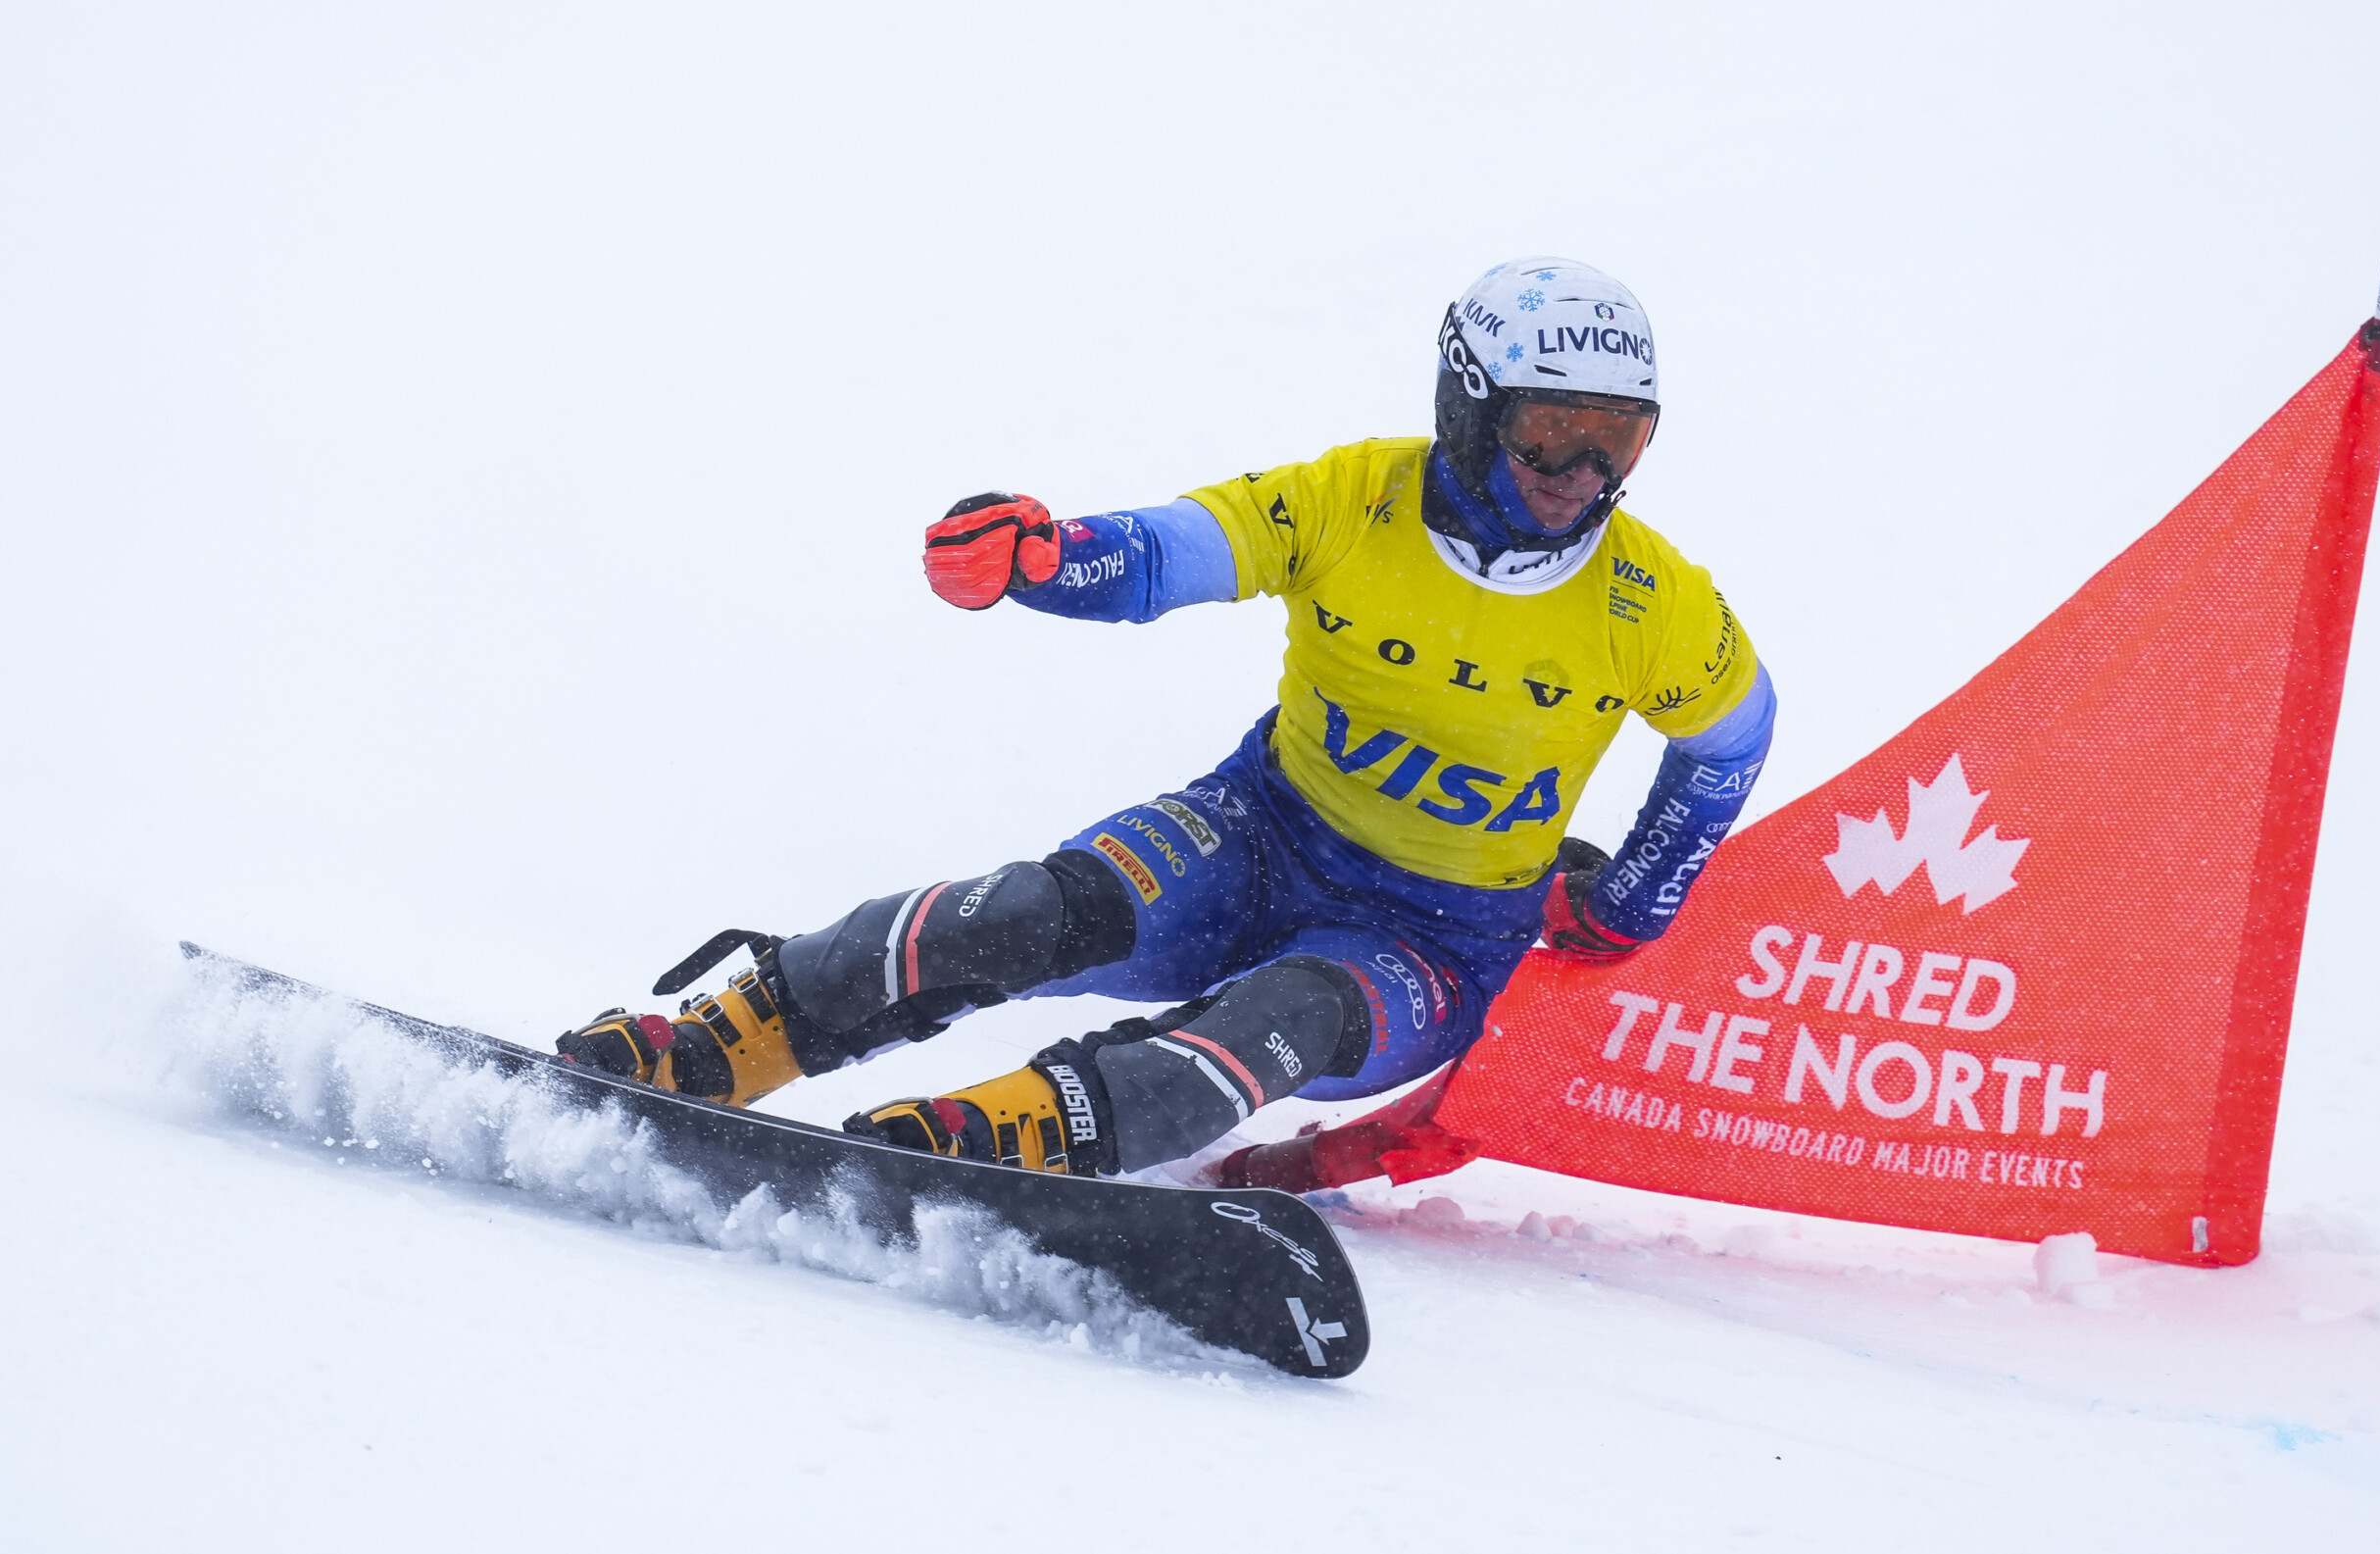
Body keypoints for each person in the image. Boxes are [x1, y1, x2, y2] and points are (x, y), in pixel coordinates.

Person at [557, 256, 1775, 1181]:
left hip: (1435, 942)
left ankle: (1010, 1137)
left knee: (1280, 1020)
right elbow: (1172, 552)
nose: (1577, 483)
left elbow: (1733, 736)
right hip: (1254, 836)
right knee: (1034, 913)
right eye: (1547, 436)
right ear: (1468, 406)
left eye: (1615, 445)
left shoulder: (1649, 599)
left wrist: (1633, 904)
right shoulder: (1355, 494)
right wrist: (1041, 557)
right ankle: (719, 1042)